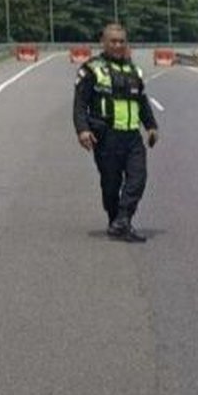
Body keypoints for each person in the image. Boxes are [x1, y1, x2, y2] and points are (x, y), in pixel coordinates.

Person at [72, 23, 158, 243]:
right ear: (104, 41)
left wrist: (151, 126)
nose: (118, 45)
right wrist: (83, 130)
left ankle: (123, 220)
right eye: (113, 41)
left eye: (122, 41)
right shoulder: (91, 69)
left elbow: (142, 101)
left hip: (132, 137)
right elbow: (80, 104)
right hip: (106, 137)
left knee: (138, 178)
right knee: (110, 185)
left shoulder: (133, 70)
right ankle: (117, 221)